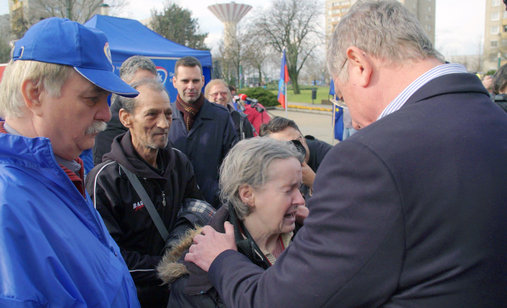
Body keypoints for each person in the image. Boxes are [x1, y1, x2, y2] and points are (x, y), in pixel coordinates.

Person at [184, 1, 507, 307]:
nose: (350, 118)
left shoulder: (369, 157)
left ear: (359, 65)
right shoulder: (494, 121)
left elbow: (279, 301)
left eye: (341, 95)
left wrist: (222, 260)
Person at [0, 17, 141, 307]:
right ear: (34, 94)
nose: (106, 114)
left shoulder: (59, 172)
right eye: (92, 99)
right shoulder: (8, 206)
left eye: (107, 100)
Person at [85, 79, 212, 307]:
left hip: (179, 296)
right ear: (126, 118)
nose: (163, 124)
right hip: (133, 298)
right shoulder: (105, 180)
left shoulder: (180, 163)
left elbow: (197, 213)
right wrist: (169, 266)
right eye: (152, 115)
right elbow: (107, 257)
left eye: (167, 114)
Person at [157, 137, 308, 307]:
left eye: (300, 188)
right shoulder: (195, 281)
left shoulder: (312, 237)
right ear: (247, 195)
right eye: (288, 190)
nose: (301, 200)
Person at [169, 56, 237, 208]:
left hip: (213, 207)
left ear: (203, 81)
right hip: (172, 209)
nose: (191, 86)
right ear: (174, 82)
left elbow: (233, 162)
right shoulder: (164, 116)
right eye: (185, 81)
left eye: (195, 81)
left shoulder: (221, 116)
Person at [93, 55, 159, 165]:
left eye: (152, 85)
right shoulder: (108, 126)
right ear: (124, 84)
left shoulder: (159, 120)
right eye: (139, 85)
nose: (147, 91)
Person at [259, 116, 332, 196]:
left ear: (303, 137)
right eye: (284, 147)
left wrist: (314, 182)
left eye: (297, 141)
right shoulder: (271, 163)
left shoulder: (330, 157)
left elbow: (343, 199)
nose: (294, 149)